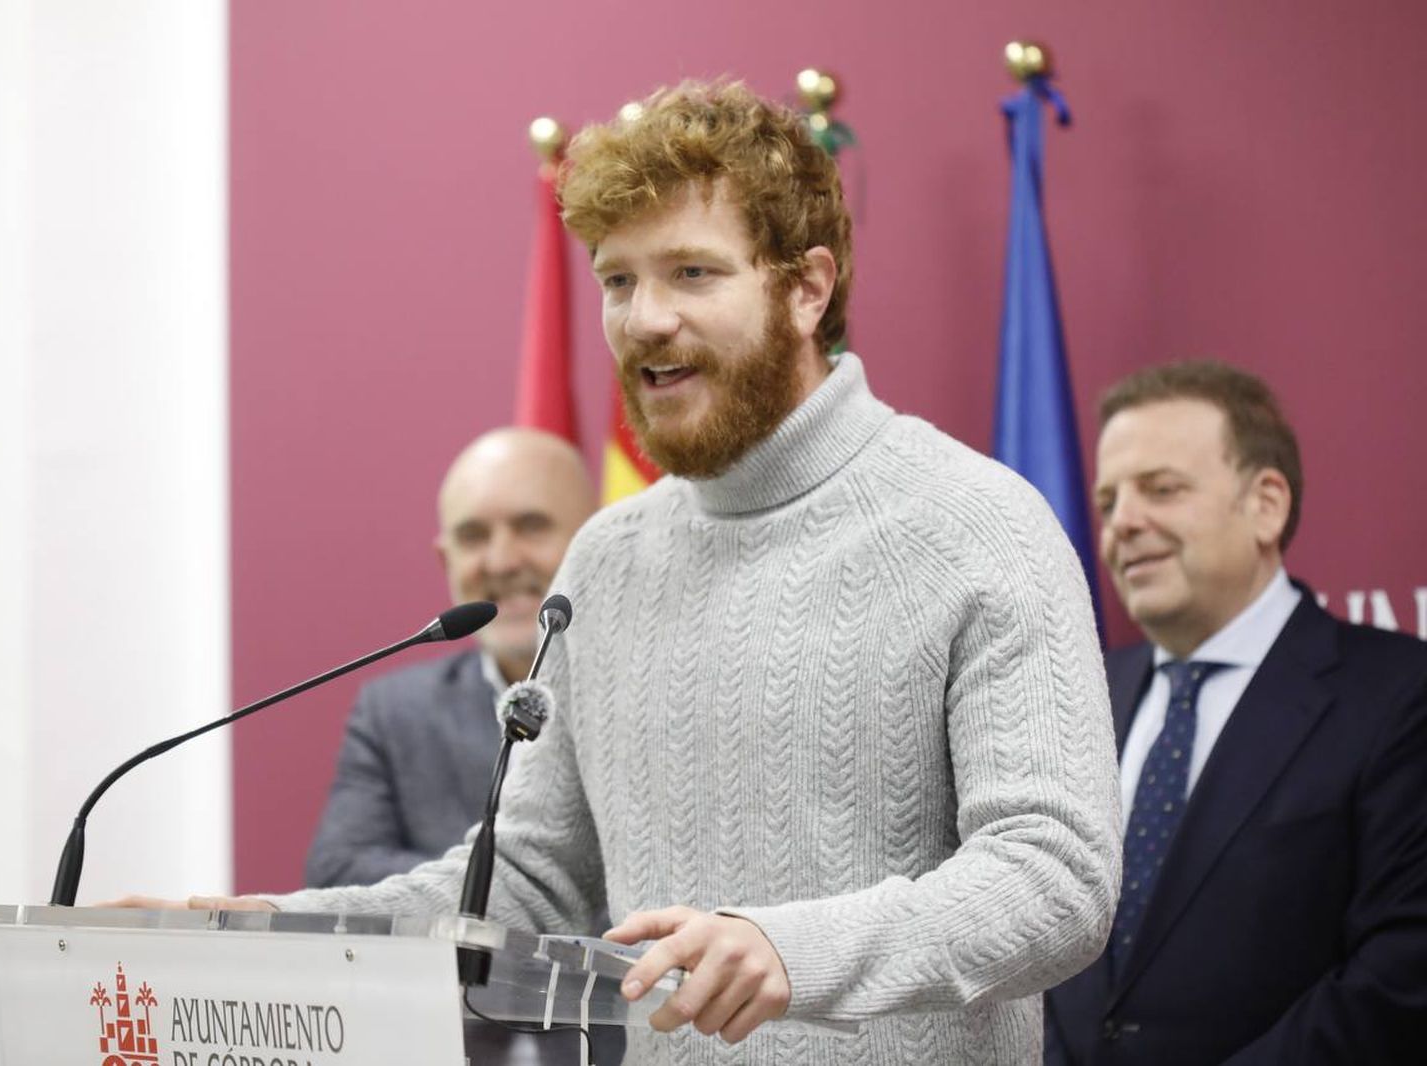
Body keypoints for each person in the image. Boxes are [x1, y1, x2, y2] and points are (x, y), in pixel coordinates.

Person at [118, 80, 1121, 1065]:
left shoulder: (979, 524)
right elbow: (527, 879)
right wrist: (269, 935)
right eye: (617, 280)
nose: (644, 319)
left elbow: (1055, 878)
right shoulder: (604, 558)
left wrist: (793, 949)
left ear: (806, 290)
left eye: (691, 272)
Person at [1044, 361, 1427, 1064]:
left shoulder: (1400, 696)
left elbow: (1402, 973)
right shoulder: (1080, 697)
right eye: (1107, 501)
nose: (1122, 523)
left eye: (1162, 489)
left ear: (1266, 506)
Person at [304, 426, 595, 889]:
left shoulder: (654, 697)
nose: (501, 561)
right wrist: (515, 893)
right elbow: (338, 872)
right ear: (447, 561)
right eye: (473, 536)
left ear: (595, 543)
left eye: (531, 526)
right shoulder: (395, 711)